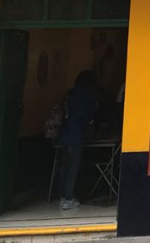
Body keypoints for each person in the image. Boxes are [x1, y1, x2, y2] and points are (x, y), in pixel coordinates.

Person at [58, 70, 97, 210]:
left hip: (64, 134)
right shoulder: (86, 96)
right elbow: (86, 117)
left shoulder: (69, 94)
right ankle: (69, 199)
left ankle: (62, 196)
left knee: (65, 167)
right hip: (76, 134)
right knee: (73, 167)